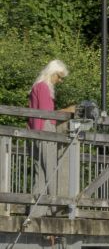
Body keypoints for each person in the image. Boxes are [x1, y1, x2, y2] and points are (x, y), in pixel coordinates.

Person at [27, 60, 67, 199]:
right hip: (45, 129)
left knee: (41, 171)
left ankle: (36, 210)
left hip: (36, 129)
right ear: (52, 73)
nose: (60, 80)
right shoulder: (43, 87)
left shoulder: (36, 86)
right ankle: (53, 204)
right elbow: (46, 113)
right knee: (50, 168)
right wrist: (68, 110)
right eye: (59, 76)